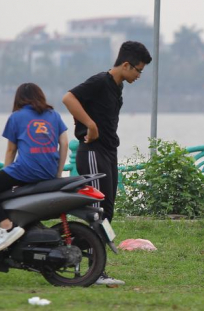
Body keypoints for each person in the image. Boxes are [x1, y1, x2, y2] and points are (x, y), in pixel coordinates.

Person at [62, 41, 152, 287]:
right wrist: (89, 125)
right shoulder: (101, 81)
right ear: (125, 64)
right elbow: (68, 98)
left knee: (107, 211)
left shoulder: (117, 86)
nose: (139, 75)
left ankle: (96, 267)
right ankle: (91, 270)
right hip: (92, 150)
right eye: (138, 70)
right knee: (96, 210)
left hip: (109, 152)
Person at [0, 83, 69, 252]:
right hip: (48, 172)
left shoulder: (16, 117)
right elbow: (64, 143)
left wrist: (4, 173)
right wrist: (58, 173)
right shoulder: (54, 115)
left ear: (19, 99)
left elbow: (11, 150)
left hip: (25, 171)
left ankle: (6, 226)